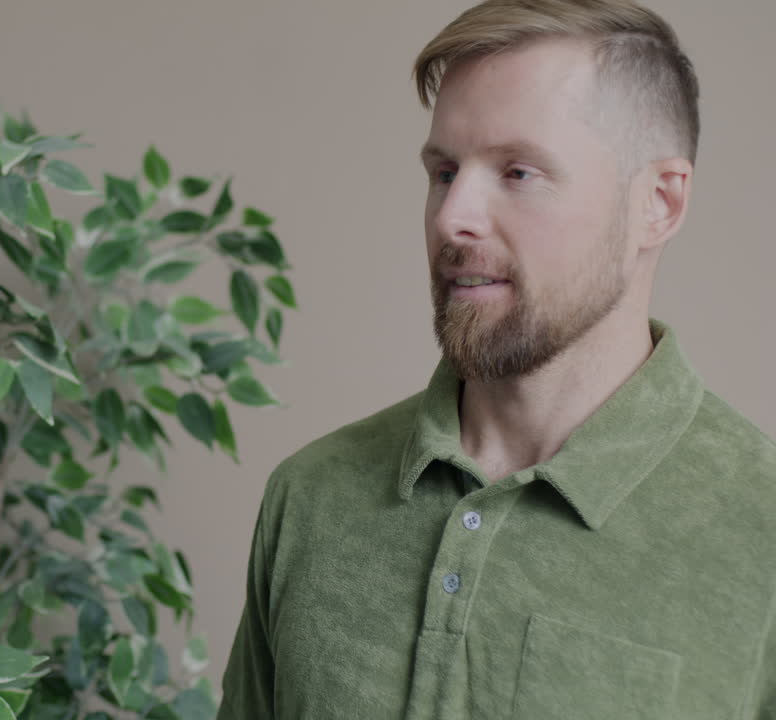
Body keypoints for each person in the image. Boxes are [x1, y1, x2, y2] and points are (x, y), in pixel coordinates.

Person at [217, 0, 776, 717]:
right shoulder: (311, 496)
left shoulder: (759, 534)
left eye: (518, 172)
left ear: (658, 204)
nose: (453, 217)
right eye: (444, 171)